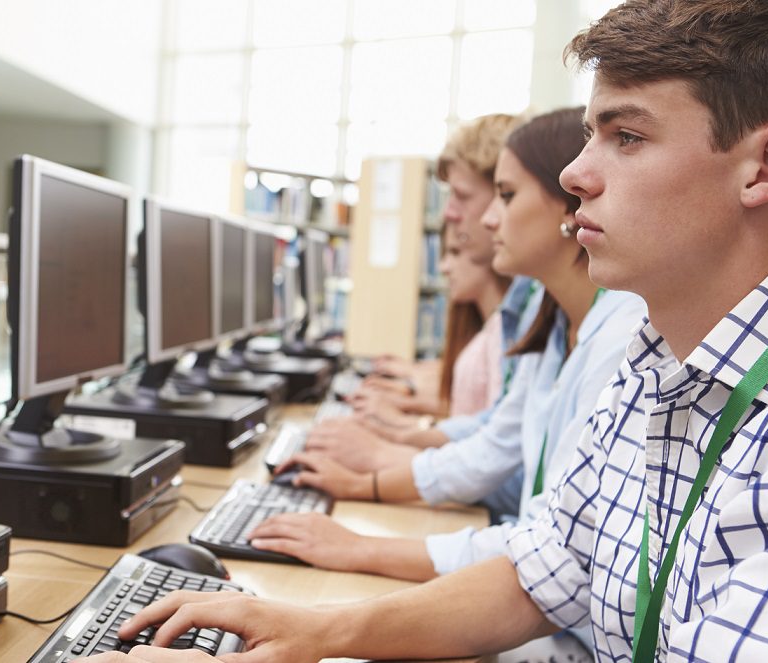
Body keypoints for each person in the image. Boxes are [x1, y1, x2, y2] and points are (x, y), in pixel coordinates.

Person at [82, 0, 768, 661]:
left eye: (626, 137)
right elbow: (540, 570)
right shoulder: (656, 358)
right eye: (591, 132)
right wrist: (313, 631)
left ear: (765, 168)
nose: (574, 174)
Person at [252, 109, 645, 601]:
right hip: (529, 580)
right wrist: (381, 463)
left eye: (503, 196)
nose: (479, 218)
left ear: (570, 207)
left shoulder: (621, 338)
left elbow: (549, 548)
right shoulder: (556, 319)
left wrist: (367, 523)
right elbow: (499, 440)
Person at [348, 113, 519, 422]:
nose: (450, 212)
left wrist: (398, 424)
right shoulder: (510, 318)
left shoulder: (525, 316)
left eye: (462, 196)